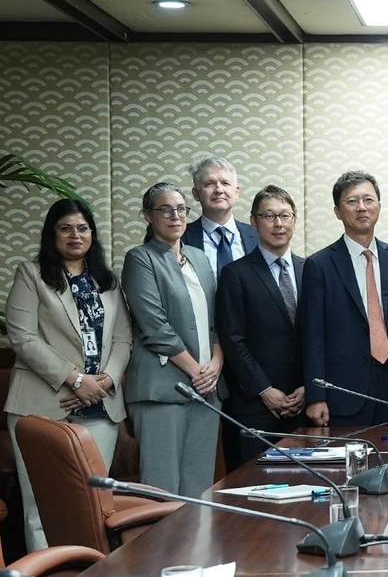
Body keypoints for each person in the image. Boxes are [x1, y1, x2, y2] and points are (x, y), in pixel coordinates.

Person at [4, 199, 132, 551]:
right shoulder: (31, 274)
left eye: (82, 228)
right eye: (65, 228)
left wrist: (106, 379)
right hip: (42, 404)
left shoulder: (108, 280)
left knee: (94, 504)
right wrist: (76, 380)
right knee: (42, 505)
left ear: (92, 234)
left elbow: (123, 337)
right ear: (52, 234)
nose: (75, 235)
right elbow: (22, 337)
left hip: (100, 407)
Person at [123, 182, 226, 496]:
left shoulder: (199, 257)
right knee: (162, 488)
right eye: (164, 209)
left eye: (181, 209)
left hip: (208, 388)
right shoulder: (140, 258)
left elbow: (218, 320)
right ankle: (157, 549)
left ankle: (197, 549)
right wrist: (197, 371)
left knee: (199, 487)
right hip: (162, 389)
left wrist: (217, 365)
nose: (175, 216)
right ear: (148, 216)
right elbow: (155, 326)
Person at [301, 171, 388, 427]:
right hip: (342, 388)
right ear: (337, 211)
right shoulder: (319, 265)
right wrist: (316, 396)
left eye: (368, 200)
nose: (362, 208)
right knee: (346, 463)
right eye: (352, 201)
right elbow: (312, 335)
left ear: (379, 206)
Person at [215, 185, 306, 470]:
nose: (278, 224)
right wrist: (265, 390)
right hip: (255, 405)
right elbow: (232, 340)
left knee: (309, 490)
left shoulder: (310, 269)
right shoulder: (235, 274)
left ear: (295, 220)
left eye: (284, 215)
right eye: (269, 216)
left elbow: (320, 336)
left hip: (304, 405)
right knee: (255, 489)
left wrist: (308, 387)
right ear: (254, 222)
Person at [182, 156, 258, 278]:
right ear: (196, 194)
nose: (218, 190)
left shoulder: (258, 236)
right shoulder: (181, 238)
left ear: (236, 192)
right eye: (209, 184)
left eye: (225, 183)